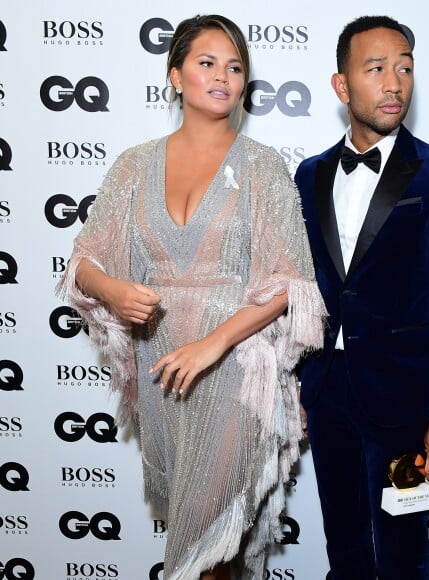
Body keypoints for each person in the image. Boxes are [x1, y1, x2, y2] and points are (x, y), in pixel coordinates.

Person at [57, 14, 325, 580]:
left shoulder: (262, 168)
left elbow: (294, 285)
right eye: (207, 63)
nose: (223, 77)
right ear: (175, 75)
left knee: (204, 545)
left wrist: (214, 344)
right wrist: (113, 289)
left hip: (234, 368)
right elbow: (83, 263)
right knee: (209, 545)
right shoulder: (134, 164)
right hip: (163, 376)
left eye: (235, 67)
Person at [294, 15, 429, 580]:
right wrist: (299, 382)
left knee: (404, 559)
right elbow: (303, 289)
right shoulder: (308, 175)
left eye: (404, 68)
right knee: (344, 550)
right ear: (341, 85)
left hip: (406, 399)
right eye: (375, 69)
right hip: (328, 391)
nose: (394, 83)